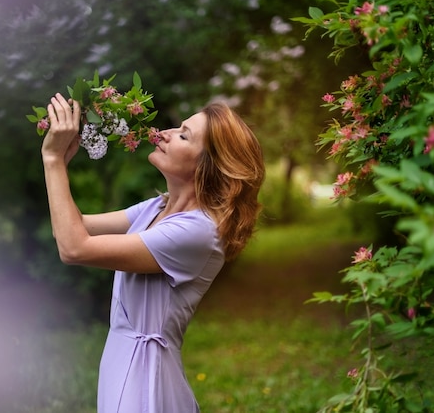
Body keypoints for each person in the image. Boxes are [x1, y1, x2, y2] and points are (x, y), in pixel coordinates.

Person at [40, 93, 265, 413]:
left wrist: (51, 161)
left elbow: (74, 248)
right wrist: (60, 162)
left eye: (184, 135)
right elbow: (73, 226)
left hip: (144, 378)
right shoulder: (158, 207)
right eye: (178, 127)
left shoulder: (197, 232)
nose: (165, 133)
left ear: (207, 167)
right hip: (121, 361)